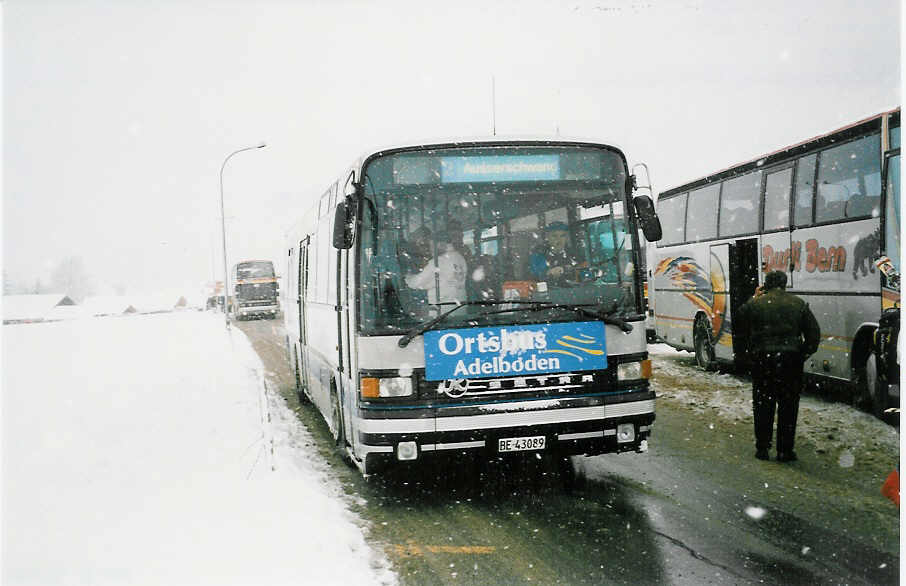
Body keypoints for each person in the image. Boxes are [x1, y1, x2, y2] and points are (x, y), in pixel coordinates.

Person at [735, 270, 821, 462]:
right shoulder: (798, 304)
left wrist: (753, 298)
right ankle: (785, 450)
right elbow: (814, 335)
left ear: (766, 285)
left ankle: (763, 448)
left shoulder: (756, 304)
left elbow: (739, 322)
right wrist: (801, 354)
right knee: (788, 406)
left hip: (763, 361)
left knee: (763, 405)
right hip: (791, 362)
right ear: (785, 284)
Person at [404, 227, 467, 305]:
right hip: (460, 307)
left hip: (444, 309)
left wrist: (407, 277)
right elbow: (440, 281)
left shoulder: (438, 262)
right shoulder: (460, 258)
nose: (431, 250)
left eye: (431, 246)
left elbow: (416, 283)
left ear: (440, 244)